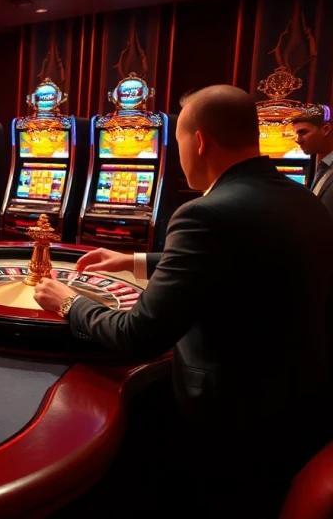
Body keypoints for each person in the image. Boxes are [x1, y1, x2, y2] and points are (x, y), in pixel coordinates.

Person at [33, 85, 333, 517]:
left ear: (199, 141)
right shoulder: (301, 197)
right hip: (298, 407)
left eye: (176, 142)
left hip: (227, 420)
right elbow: (244, 257)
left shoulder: (204, 214)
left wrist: (67, 302)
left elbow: (138, 335)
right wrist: (133, 261)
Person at [292, 110, 333, 217]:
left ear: (326, 129)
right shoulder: (321, 164)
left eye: (303, 132)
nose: (297, 140)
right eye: (296, 134)